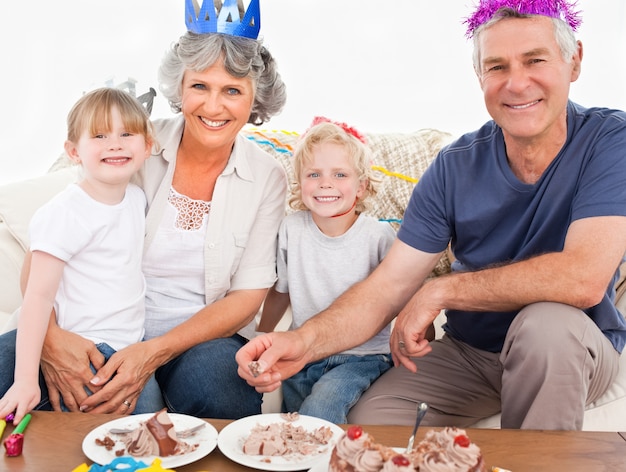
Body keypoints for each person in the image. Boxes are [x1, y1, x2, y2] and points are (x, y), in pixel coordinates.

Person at [237, 0, 626, 430]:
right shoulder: (453, 166)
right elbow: (387, 287)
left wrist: (440, 292)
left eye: (535, 60)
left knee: (545, 328)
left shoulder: (610, 142)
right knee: (369, 426)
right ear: (480, 76)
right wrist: (301, 342)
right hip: (471, 355)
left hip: (568, 351)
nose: (516, 83)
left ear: (574, 61)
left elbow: (583, 278)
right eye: (497, 67)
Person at [0, 0, 287, 419]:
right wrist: (53, 340)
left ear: (254, 99)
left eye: (232, 90)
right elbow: (49, 247)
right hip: (94, 330)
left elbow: (246, 297)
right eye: (200, 87)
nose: (212, 106)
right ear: (179, 88)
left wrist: (150, 353)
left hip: (197, 340)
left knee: (222, 390)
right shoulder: (134, 146)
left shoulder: (267, 177)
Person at [0, 87, 157, 424]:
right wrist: (25, 380)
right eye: (99, 135)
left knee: (146, 430)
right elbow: (38, 298)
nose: (114, 143)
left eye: (126, 133)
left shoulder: (136, 199)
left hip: (126, 350)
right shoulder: (64, 213)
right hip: (83, 350)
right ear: (74, 151)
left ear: (147, 146)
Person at [256, 117, 396, 423]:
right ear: (300, 182)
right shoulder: (291, 229)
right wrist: (262, 333)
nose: (325, 183)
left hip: (362, 357)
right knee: (291, 421)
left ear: (361, 187)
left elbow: (402, 293)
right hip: (303, 354)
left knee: (319, 411)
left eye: (340, 174)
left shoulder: (378, 236)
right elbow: (281, 291)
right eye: (314, 174)